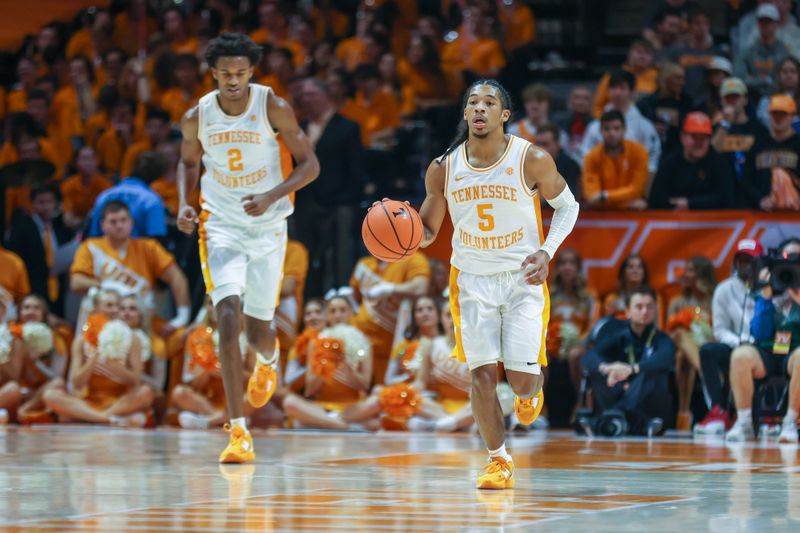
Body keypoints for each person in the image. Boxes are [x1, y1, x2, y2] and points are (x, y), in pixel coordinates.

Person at [415, 79, 579, 489]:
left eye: (489, 103)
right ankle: (498, 460)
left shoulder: (531, 159)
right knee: (482, 375)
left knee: (521, 382)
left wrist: (546, 251)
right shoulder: (443, 167)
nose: (480, 108)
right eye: (473, 102)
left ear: (505, 115)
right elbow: (428, 231)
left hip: (521, 280)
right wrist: (399, 237)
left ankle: (530, 390)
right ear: (466, 114)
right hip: (471, 281)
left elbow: (568, 206)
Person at [175, 33, 319, 464]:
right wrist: (184, 202)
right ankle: (238, 431)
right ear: (213, 73)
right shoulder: (196, 116)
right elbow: (187, 163)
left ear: (251, 72)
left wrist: (273, 195)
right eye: (225, 74)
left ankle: (269, 360)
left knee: (259, 331)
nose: (233, 80)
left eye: (240, 73)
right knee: (225, 314)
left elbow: (311, 165)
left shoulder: (272, 106)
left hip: (268, 226)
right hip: (220, 225)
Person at [71, 201, 190, 338]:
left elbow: (177, 278)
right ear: (102, 225)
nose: (119, 225)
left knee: (182, 338)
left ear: (131, 223)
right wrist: (110, 286)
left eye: (123, 220)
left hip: (141, 322)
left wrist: (182, 317)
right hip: (104, 321)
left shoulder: (148, 247)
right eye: (113, 222)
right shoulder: (90, 247)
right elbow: (76, 282)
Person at [43, 289, 154, 427]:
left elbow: (136, 381)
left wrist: (116, 368)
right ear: (96, 308)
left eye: (117, 306)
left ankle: (91, 418)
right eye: (109, 305)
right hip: (89, 401)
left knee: (146, 392)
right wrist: (93, 360)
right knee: (51, 395)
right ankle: (109, 420)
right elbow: (77, 383)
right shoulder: (81, 340)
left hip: (120, 402)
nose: (114, 310)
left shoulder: (132, 338)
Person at [726, 239, 800, 443]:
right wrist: (765, 299)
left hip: (795, 351)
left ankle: (791, 422)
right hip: (768, 351)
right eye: (787, 259)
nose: (791, 264)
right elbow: (759, 333)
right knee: (740, 355)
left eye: (797, 259)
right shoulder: (766, 286)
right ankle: (744, 423)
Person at [582, 287, 676, 436]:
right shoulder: (619, 336)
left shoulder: (662, 338)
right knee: (597, 371)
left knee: (651, 371)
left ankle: (607, 419)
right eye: (639, 307)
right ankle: (637, 424)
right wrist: (607, 368)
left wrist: (631, 369)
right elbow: (589, 356)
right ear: (627, 311)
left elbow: (665, 359)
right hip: (621, 392)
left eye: (650, 307)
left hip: (650, 406)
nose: (645, 311)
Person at [694, 239, 760, 435]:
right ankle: (718, 410)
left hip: (764, 347)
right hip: (736, 344)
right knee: (707, 351)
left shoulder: (774, 286)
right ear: (735, 262)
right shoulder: (724, 289)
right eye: (742, 260)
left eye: (751, 260)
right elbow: (720, 330)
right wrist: (739, 342)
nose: (746, 265)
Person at [6, 184, 76, 316]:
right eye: (41, 202)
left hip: (57, 288)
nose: (46, 207)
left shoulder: (60, 228)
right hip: (33, 288)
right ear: (32, 204)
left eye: (50, 201)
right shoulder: (22, 228)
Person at [664, 256, 716, 430]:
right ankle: (707, 374)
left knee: (684, 358)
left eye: (691, 270)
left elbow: (718, 331)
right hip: (679, 347)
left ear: (703, 275)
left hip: (708, 347)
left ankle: (683, 414)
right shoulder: (677, 302)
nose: (685, 274)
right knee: (680, 339)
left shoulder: (714, 300)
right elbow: (668, 334)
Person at [0, 294, 68, 425]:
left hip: (37, 397)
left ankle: (23, 412)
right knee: (13, 389)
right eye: (26, 308)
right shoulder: (11, 336)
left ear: (43, 313)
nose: (31, 311)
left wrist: (35, 361)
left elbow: (56, 376)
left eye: (36, 308)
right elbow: (13, 375)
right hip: (14, 393)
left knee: (58, 384)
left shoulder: (57, 339)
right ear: (19, 313)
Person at [580, 70, 661, 174]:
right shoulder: (594, 127)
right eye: (613, 88)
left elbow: (653, 157)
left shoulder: (645, 126)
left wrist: (643, 181)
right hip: (601, 182)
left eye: (622, 88)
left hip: (634, 182)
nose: (617, 93)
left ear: (633, 93)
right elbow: (585, 156)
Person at [649, 112, 733, 210]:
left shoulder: (719, 163)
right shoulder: (669, 164)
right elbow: (656, 199)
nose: (699, 143)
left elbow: (725, 198)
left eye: (704, 138)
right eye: (694, 137)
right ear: (683, 138)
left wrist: (690, 203)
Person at [710, 78, 769, 208]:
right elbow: (711, 154)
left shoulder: (759, 129)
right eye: (728, 98)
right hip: (722, 198)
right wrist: (725, 123)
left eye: (736, 97)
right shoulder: (717, 129)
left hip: (752, 199)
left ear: (745, 99)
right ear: (721, 100)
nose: (732, 102)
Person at [88, 151, 169, 238]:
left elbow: (94, 236)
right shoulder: (151, 200)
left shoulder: (104, 196)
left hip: (105, 250)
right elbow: (156, 240)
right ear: (157, 177)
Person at [582, 110, 649, 210]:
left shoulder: (639, 152)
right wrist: (625, 203)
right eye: (607, 129)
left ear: (624, 130)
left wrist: (605, 197)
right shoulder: (591, 157)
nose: (612, 133)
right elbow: (592, 196)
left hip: (631, 214)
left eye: (616, 128)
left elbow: (636, 189)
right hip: (603, 214)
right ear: (601, 131)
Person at [749, 94, 800, 211]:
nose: (778, 118)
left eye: (783, 114)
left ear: (792, 116)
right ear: (769, 115)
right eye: (775, 114)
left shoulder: (798, 144)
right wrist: (759, 200)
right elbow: (746, 181)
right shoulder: (758, 144)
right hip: (763, 216)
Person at [735, 4, 792, 96]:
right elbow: (738, 80)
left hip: (778, 97)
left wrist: (752, 79)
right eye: (762, 21)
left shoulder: (784, 52)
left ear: (776, 24)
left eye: (768, 21)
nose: (765, 25)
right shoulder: (747, 52)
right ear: (757, 24)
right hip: (751, 99)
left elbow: (786, 82)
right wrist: (765, 81)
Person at [534, 124, 581, 201]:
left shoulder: (570, 166)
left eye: (545, 144)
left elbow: (571, 198)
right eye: (538, 144)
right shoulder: (529, 165)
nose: (540, 148)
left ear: (557, 144)